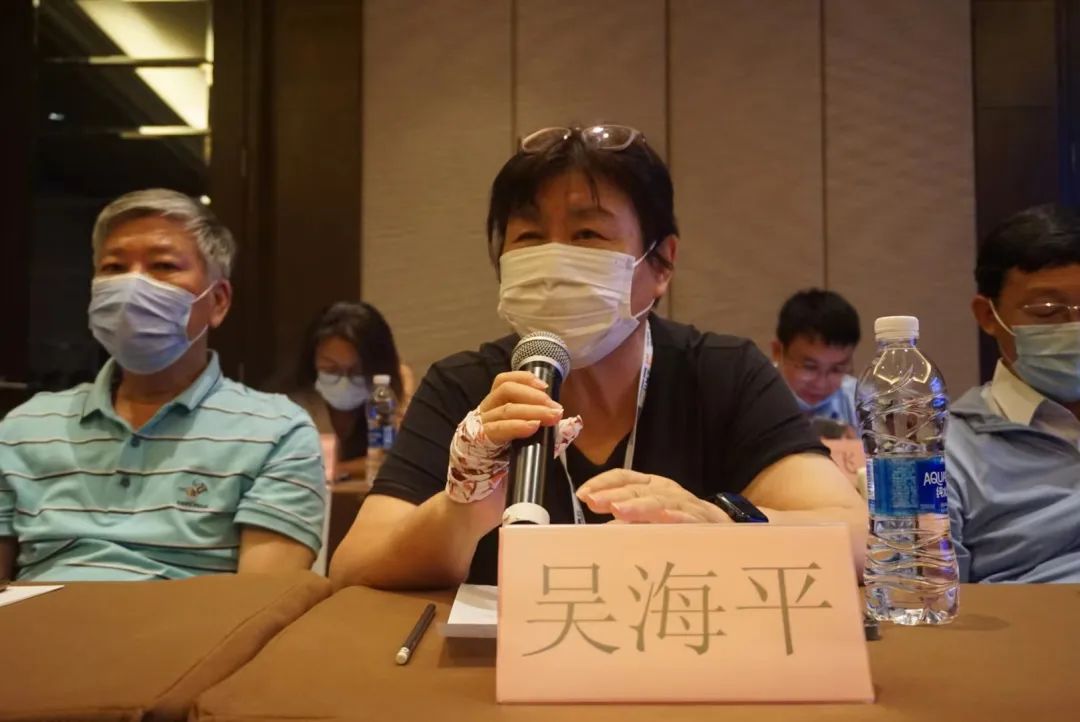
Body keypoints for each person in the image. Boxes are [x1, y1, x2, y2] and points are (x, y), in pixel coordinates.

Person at [330, 124, 866, 590]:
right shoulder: (465, 387)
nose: (554, 261)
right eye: (529, 236)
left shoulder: (723, 373)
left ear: (661, 263)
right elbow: (353, 565)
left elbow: (860, 536)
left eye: (587, 233)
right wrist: (464, 505)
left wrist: (723, 524)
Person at [0, 189, 326, 581]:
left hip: (193, 622)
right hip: (37, 619)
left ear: (218, 301)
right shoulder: (23, 428)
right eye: (114, 267)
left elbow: (262, 600)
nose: (132, 286)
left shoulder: (278, 432)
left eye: (163, 266)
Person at [946, 203, 1080, 583]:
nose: (1074, 326)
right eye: (1048, 311)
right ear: (988, 316)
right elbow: (931, 599)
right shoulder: (946, 453)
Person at [290, 301, 415, 481]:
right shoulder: (292, 401)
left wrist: (339, 469)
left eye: (356, 371)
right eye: (331, 369)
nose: (344, 380)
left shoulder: (388, 393)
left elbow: (400, 460)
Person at [771, 289, 861, 430]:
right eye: (809, 367)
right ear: (777, 352)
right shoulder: (750, 401)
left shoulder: (862, 403)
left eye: (836, 369)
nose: (821, 384)